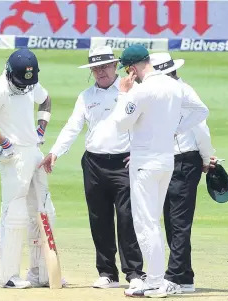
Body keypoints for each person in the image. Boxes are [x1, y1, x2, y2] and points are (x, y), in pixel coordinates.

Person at [38, 45, 146, 288]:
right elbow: (72, 126)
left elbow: (146, 124)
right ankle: (107, 272)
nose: (100, 72)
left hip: (125, 162)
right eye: (95, 68)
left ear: (115, 66)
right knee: (99, 219)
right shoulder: (86, 96)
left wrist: (141, 154)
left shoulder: (132, 90)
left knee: (128, 219)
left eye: (105, 66)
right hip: (94, 162)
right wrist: (55, 152)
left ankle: (135, 273)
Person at [106, 44, 208, 297]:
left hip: (144, 163)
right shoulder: (175, 86)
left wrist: (122, 94)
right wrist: (175, 128)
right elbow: (200, 110)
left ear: (131, 68)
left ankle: (154, 281)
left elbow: (120, 124)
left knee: (146, 223)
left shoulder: (140, 91)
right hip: (166, 161)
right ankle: (156, 279)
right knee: (153, 223)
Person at [0, 48, 57, 288]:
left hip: (34, 150)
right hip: (14, 157)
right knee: (15, 213)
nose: (24, 87)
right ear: (10, 72)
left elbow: (46, 100)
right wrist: (5, 142)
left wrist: (41, 128)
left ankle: (41, 273)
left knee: (43, 210)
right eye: (20, 82)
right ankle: (8, 276)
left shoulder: (30, 83)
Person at [149, 52, 217, 293]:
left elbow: (202, 128)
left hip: (184, 161)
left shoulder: (183, 91)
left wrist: (208, 158)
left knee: (178, 221)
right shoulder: (164, 93)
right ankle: (185, 276)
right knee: (170, 219)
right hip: (167, 160)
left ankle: (175, 275)